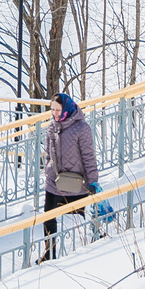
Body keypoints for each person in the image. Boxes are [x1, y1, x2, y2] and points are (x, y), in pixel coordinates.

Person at [39, 91, 100, 262]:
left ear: (66, 108)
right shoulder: (52, 126)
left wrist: (93, 181)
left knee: (86, 214)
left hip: (76, 182)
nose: (55, 113)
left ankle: (98, 242)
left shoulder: (81, 128)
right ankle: (49, 253)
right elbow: (48, 153)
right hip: (55, 180)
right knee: (48, 216)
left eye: (58, 110)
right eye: (52, 110)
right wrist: (49, 168)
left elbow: (89, 156)